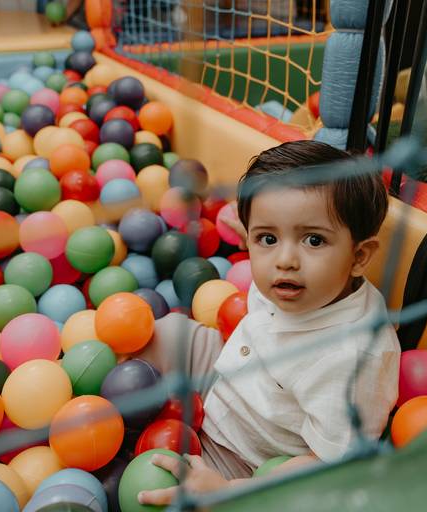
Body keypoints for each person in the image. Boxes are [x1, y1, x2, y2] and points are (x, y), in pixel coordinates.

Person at [135, 140, 400, 505]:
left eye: (313, 240)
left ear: (358, 257)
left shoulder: (350, 358)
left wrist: (229, 491)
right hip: (225, 375)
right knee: (165, 332)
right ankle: (99, 413)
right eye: (268, 238)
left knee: (163, 490)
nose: (285, 259)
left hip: (244, 455)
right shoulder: (297, 280)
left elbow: (330, 466)